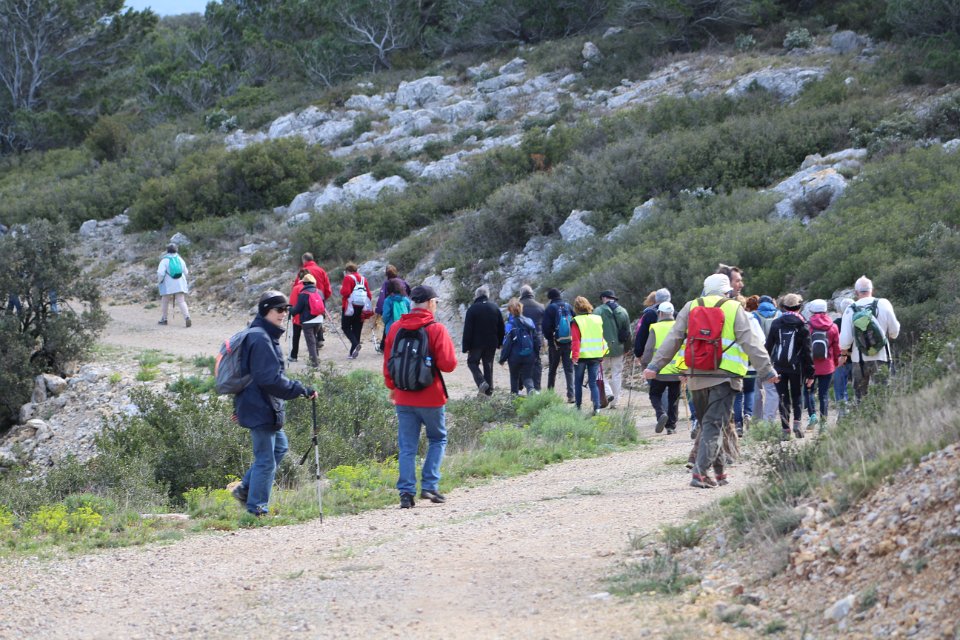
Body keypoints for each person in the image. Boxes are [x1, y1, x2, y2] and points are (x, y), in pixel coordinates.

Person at [644, 274, 777, 489]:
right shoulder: (733, 307)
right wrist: (767, 370)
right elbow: (750, 341)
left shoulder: (690, 306)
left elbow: (674, 338)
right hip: (725, 377)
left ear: (705, 290)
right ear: (727, 291)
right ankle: (700, 473)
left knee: (711, 425)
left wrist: (654, 365)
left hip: (696, 376)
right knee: (714, 425)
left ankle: (720, 472)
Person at [231, 291, 317, 516]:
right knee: (266, 461)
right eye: (279, 310)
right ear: (265, 311)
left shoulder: (262, 335)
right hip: (260, 406)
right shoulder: (260, 339)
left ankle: (245, 489)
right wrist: (300, 389)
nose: (284, 314)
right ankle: (257, 509)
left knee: (280, 447)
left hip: (259, 405)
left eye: (286, 309)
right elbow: (269, 379)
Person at [382, 285, 457, 509]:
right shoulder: (436, 329)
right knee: (437, 439)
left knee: (407, 447)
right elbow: (448, 364)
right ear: (431, 303)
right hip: (431, 397)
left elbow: (388, 363)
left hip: (403, 397)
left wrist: (393, 387)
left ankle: (406, 493)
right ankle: (429, 485)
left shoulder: (395, 328)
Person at [839, 276, 900, 402]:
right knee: (883, 396)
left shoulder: (850, 309)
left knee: (860, 398)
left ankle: (862, 415)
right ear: (872, 290)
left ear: (856, 292)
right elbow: (894, 331)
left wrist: (844, 354)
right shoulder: (884, 304)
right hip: (882, 357)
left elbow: (845, 341)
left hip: (859, 360)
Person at [765, 293, 814, 439]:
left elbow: (768, 347)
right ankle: (797, 423)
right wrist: (810, 373)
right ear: (799, 307)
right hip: (797, 367)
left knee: (783, 397)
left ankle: (785, 429)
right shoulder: (802, 324)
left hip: (779, 366)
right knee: (797, 395)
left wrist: (766, 368)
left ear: (784, 307)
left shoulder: (776, 323)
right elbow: (807, 351)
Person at [640, 302, 683, 434]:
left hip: (658, 371)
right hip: (677, 370)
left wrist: (645, 365)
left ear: (660, 313)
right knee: (674, 399)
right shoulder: (680, 327)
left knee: (655, 394)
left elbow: (648, 349)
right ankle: (671, 426)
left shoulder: (655, 327)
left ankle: (661, 413)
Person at [461, 285, 504, 396]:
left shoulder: (472, 309)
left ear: (476, 296)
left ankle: (481, 382)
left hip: (476, 344)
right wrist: (500, 342)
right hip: (491, 343)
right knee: (488, 365)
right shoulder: (495, 308)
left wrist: (465, 347)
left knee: (472, 362)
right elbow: (501, 327)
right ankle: (489, 392)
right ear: (487, 295)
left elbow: (468, 329)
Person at [804, 298, 840, 428]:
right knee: (823, 394)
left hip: (810, 366)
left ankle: (812, 416)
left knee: (808, 391)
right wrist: (835, 363)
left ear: (812, 311)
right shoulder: (833, 326)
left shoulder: (807, 326)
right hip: (827, 365)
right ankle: (823, 424)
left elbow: (803, 347)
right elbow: (836, 348)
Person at [733, 295, 764, 437]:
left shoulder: (728, 319)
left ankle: (738, 424)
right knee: (750, 391)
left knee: (737, 394)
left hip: (734, 362)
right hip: (750, 361)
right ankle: (748, 414)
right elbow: (761, 340)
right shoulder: (752, 319)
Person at [571, 296, 608, 415]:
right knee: (593, 383)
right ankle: (597, 408)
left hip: (581, 356)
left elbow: (576, 340)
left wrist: (575, 356)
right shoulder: (597, 319)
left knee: (578, 382)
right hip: (595, 355)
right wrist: (602, 353)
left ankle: (578, 407)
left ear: (576, 308)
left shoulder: (576, 321)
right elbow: (601, 337)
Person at [594, 289, 631, 409]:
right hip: (619, 347)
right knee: (617, 374)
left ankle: (608, 392)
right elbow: (628, 332)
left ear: (604, 298)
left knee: (599, 373)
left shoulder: (598, 311)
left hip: (602, 348)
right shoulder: (623, 311)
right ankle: (615, 401)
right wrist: (627, 348)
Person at [499, 297, 539, 395]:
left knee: (514, 377)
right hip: (529, 354)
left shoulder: (509, 325)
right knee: (527, 377)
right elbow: (536, 340)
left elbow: (507, 344)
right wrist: (536, 355)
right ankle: (530, 390)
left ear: (510, 310)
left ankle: (514, 398)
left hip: (514, 357)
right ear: (521, 309)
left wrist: (503, 358)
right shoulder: (530, 322)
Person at [754, 294, 781, 422]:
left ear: (758, 304)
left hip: (756, 358)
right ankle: (769, 421)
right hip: (775, 358)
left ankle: (756, 421)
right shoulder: (779, 315)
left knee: (756, 391)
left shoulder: (754, 316)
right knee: (772, 390)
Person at [289, 273, 324, 367]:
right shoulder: (319, 292)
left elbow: (297, 309)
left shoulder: (303, 294)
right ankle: (316, 359)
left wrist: (291, 310)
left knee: (310, 342)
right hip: (319, 319)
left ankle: (314, 364)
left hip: (307, 321)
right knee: (313, 338)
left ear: (304, 283)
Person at [375, 265, 411, 352]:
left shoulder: (387, 287)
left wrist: (378, 311)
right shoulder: (403, 283)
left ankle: (384, 348)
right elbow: (409, 292)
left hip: (391, 323)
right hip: (404, 324)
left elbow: (382, 300)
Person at [340, 262, 372, 359]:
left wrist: (341, 289)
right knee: (357, 329)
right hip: (361, 307)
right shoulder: (363, 279)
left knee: (345, 327)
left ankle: (355, 343)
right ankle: (352, 353)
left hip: (350, 306)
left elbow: (345, 292)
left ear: (347, 271)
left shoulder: (348, 278)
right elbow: (369, 295)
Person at [156, 243, 191, 327]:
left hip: (168, 284)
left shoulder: (164, 260)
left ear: (167, 250)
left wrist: (160, 281)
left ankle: (164, 319)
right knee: (181, 301)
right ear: (176, 250)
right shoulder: (180, 259)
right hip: (180, 283)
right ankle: (187, 317)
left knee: (165, 301)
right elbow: (186, 272)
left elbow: (160, 273)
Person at [301, 253, 332, 345]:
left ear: (304, 260)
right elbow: (327, 286)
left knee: (309, 319)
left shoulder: (304, 271)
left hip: (307, 297)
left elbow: (298, 285)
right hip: (320, 296)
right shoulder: (321, 270)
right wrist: (324, 297)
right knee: (319, 317)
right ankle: (320, 338)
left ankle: (314, 341)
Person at [518, 285, 545, 391]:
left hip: (521, 339)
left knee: (521, 361)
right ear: (532, 293)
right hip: (536, 338)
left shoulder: (518, 306)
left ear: (521, 294)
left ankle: (524, 385)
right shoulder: (540, 306)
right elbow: (544, 324)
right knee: (537, 362)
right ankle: (537, 388)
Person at [634, 289, 670, 361]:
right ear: (669, 299)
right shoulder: (676, 314)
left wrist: (638, 353)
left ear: (656, 299)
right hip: (672, 354)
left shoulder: (649, 314)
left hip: (653, 355)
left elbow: (642, 335)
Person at [833, 298, 854, 414]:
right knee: (859, 388)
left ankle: (842, 415)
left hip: (840, 359)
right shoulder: (858, 322)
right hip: (857, 359)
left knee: (840, 389)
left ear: (841, 311)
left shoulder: (836, 323)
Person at [287, 268, 308, 363]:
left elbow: (292, 303)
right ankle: (314, 357)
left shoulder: (296, 288)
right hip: (310, 316)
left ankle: (294, 355)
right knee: (311, 337)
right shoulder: (312, 287)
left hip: (298, 317)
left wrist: (291, 312)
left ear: (299, 277)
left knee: (296, 337)